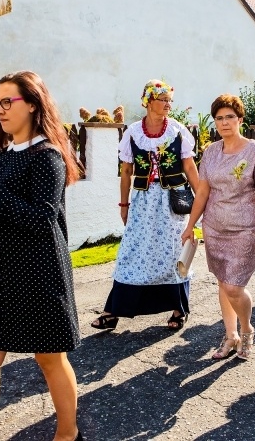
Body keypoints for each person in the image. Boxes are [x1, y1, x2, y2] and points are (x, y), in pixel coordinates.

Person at [0, 71, 83, 441]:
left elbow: (41, 219)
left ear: (31, 104)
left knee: (49, 359)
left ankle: (67, 433)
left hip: (41, 271)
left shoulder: (47, 156)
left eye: (7, 101)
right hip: (4, 271)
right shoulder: (3, 156)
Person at [91, 79, 199, 332]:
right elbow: (127, 172)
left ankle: (178, 309)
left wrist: (201, 201)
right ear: (148, 101)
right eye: (163, 100)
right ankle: (113, 310)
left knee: (173, 252)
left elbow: (190, 168)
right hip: (142, 201)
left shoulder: (177, 131)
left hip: (172, 202)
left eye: (170, 100)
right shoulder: (132, 132)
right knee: (131, 252)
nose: (168, 105)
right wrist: (124, 204)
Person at [181, 94, 255, 361]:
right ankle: (230, 335)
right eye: (219, 118)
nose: (224, 122)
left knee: (234, 287)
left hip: (245, 229)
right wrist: (191, 225)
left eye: (229, 117)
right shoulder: (211, 152)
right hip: (214, 228)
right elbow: (202, 192)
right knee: (223, 282)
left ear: (240, 120)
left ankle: (246, 331)